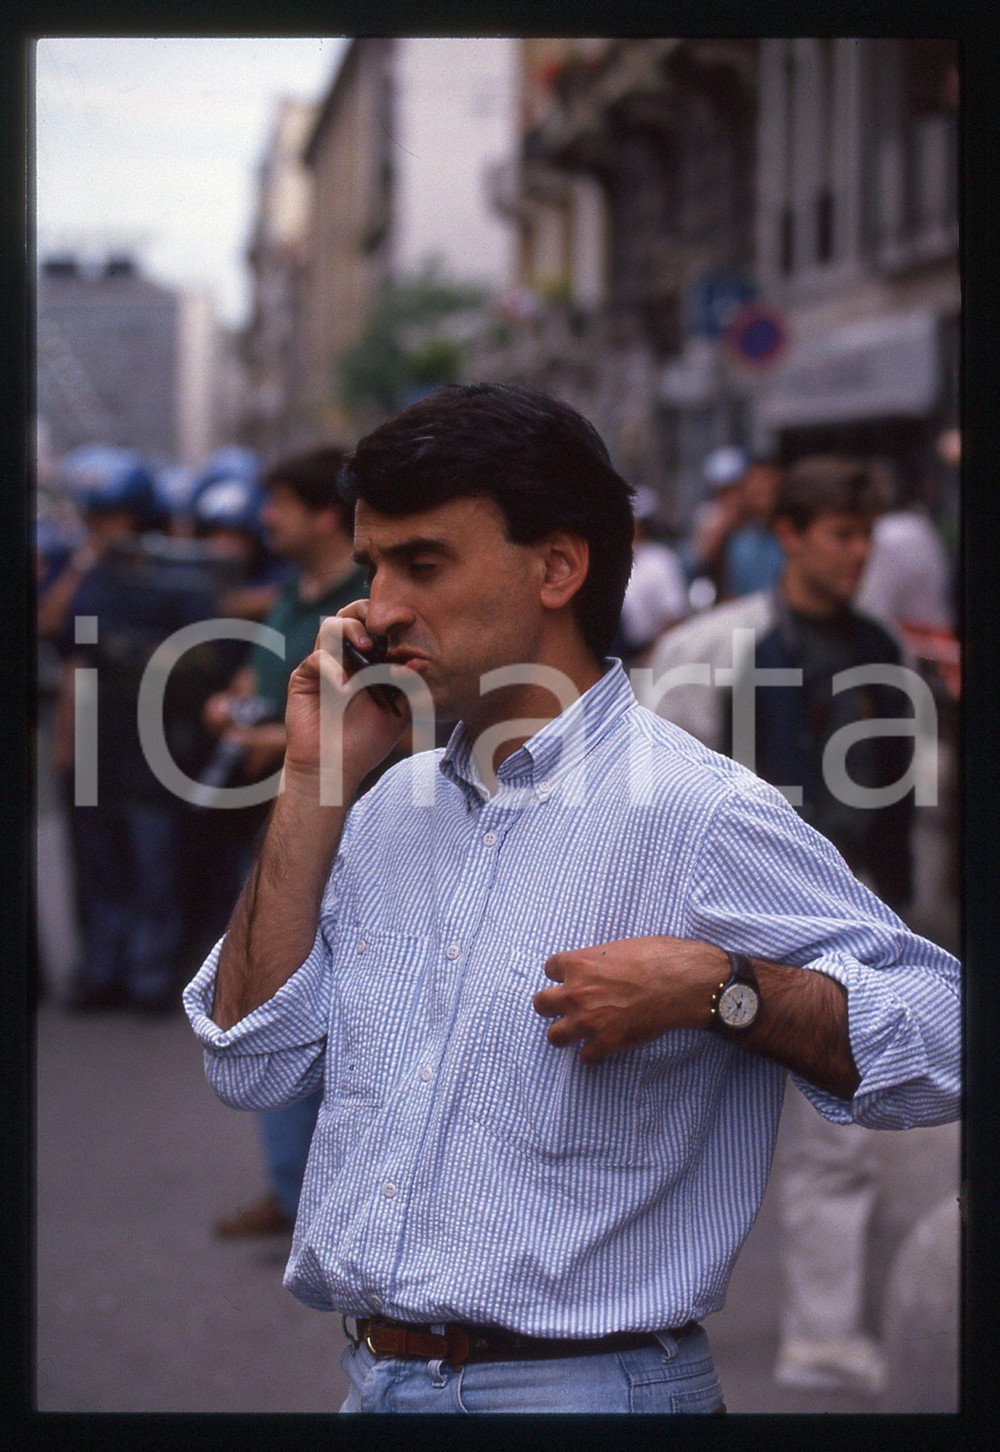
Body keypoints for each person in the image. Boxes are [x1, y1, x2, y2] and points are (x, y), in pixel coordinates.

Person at [184, 386, 958, 1416]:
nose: (375, 608)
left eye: (423, 563)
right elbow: (250, 1057)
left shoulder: (698, 810)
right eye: (371, 566)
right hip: (374, 1383)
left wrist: (723, 989)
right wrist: (311, 782)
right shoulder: (383, 807)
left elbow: (944, 1036)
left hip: (589, 1392)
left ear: (556, 567)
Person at [647, 454, 918, 1392]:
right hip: (721, 928)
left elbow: (898, 790)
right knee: (665, 1130)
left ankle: (823, 1332)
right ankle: (629, 1322)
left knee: (837, 1141)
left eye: (867, 538)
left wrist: (899, 910)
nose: (858, 554)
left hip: (839, 927)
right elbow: (658, 788)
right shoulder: (715, 643)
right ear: (792, 536)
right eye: (842, 535)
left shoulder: (884, 643)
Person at [199, 446, 371, 1241]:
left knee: (351, 1019)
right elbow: (262, 681)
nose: (265, 519)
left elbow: (387, 725)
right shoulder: (290, 601)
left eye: (280, 505)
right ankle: (289, 1189)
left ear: (325, 512)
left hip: (353, 832)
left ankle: (331, 1200)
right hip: (275, 827)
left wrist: (288, 745)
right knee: (265, 999)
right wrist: (237, 704)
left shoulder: (366, 603)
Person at [615, 485, 688, 665]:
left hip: (651, 654)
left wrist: (651, 655)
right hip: (616, 651)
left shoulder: (660, 560)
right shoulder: (610, 558)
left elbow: (674, 614)